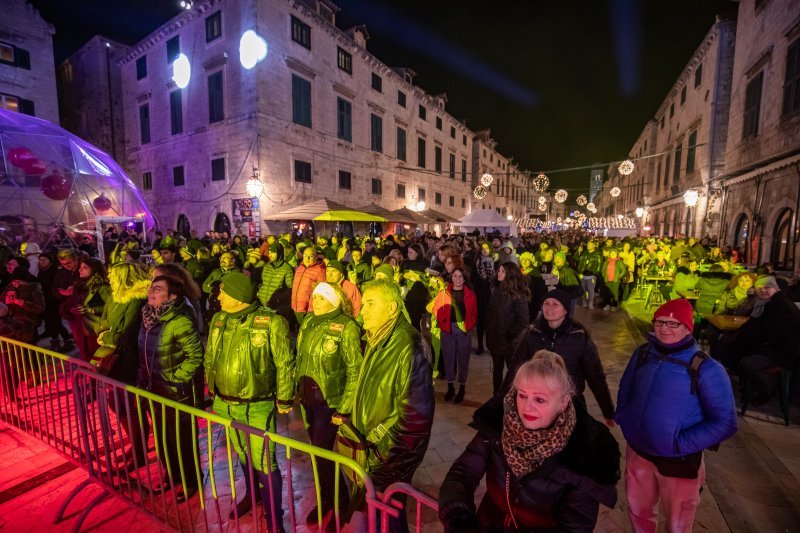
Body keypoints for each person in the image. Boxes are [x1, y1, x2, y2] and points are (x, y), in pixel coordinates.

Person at [439, 351, 620, 531]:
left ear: (563, 403)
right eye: (523, 395)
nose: (527, 407)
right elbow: (463, 473)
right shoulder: (499, 424)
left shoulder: (585, 451)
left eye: (540, 399)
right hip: (490, 522)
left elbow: (575, 525)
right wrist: (458, 518)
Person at [616, 298, 737, 533]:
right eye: (660, 322)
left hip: (678, 462)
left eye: (673, 324)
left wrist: (680, 443)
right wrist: (624, 418)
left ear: (687, 328)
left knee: (678, 522)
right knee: (638, 513)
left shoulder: (706, 368)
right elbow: (626, 387)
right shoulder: (642, 354)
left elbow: (725, 422)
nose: (664, 329)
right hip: (639, 454)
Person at [338, 279, 434, 532]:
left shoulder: (409, 347)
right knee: (385, 518)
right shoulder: (378, 338)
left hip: (385, 462)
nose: (362, 310)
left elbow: (415, 422)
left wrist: (382, 464)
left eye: (371, 303)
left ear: (392, 308)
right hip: (371, 456)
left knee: (386, 518)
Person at [205, 272, 294, 530]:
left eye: (224, 291)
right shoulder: (219, 320)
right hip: (225, 402)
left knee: (265, 461)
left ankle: (274, 516)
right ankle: (252, 496)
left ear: (239, 296)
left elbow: (284, 362)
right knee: (242, 453)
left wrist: (285, 396)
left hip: (257, 405)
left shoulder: (270, 322)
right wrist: (212, 388)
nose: (219, 296)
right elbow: (211, 354)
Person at [490, 288, 617, 428]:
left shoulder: (579, 337)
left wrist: (607, 410)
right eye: (546, 303)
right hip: (539, 403)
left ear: (566, 310)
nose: (549, 308)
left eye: (555, 304)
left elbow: (595, 375)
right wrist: (499, 400)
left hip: (569, 403)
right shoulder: (533, 334)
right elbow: (515, 367)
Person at [295, 282, 361, 530]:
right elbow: (300, 356)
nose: (315, 301)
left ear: (334, 301)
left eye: (321, 298)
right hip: (308, 399)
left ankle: (341, 504)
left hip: (329, 403)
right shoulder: (309, 322)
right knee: (318, 454)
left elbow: (355, 369)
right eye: (314, 297)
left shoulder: (347, 326)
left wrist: (344, 407)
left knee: (325, 455)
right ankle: (326, 498)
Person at [136, 275, 204, 501]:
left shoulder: (180, 320)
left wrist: (175, 379)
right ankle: (172, 475)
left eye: (157, 289)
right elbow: (144, 353)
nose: (151, 292)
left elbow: (195, 356)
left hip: (176, 393)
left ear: (172, 296)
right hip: (152, 389)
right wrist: (142, 378)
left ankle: (191, 480)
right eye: (151, 288)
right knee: (163, 438)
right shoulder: (147, 317)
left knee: (182, 440)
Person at [728, 276, 800, 404]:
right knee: (729, 351)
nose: (763, 290)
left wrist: (751, 339)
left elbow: (775, 333)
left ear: (776, 288)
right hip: (768, 346)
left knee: (745, 362)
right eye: (759, 288)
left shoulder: (782, 306)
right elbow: (753, 324)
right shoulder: (763, 303)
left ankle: (765, 388)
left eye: (767, 287)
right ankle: (746, 386)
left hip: (781, 351)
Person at [431, 268, 477, 403]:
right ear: (452, 278)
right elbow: (436, 309)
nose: (457, 279)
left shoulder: (470, 295)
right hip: (448, 330)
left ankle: (462, 387)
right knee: (449, 359)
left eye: (460, 277)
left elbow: (474, 312)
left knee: (463, 360)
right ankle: (450, 387)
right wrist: (443, 322)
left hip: (463, 330)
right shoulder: (444, 293)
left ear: (464, 279)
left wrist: (469, 325)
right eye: (455, 276)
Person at [485, 262, 530, 394]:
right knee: (497, 372)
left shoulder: (518, 294)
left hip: (510, 343)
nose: (499, 273)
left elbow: (523, 321)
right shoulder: (496, 289)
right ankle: (497, 398)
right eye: (499, 271)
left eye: (503, 271)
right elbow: (491, 313)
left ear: (510, 274)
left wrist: (510, 334)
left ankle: (513, 398)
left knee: (513, 374)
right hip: (496, 339)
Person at [62, 258, 110, 360]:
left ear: (94, 269)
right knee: (86, 355)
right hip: (81, 329)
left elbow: (110, 308)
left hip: (96, 330)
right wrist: (71, 310)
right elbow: (71, 303)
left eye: (85, 267)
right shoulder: (79, 286)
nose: (80, 270)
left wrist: (89, 309)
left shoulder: (103, 288)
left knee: (97, 358)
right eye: (80, 267)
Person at [35, 252, 73, 351]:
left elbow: (55, 285)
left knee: (55, 322)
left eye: (44, 260)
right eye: (40, 260)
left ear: (50, 261)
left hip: (54, 300)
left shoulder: (54, 271)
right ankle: (65, 339)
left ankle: (61, 340)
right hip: (46, 300)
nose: (42, 261)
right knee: (52, 322)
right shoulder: (42, 271)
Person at [292, 246, 326, 325]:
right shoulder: (300, 267)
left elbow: (319, 292)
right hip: (295, 306)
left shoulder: (320, 270)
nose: (307, 258)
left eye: (310, 256)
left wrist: (311, 309)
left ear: (316, 257)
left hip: (307, 309)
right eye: (305, 255)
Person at [473, 242, 496, 354]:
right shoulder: (478, 261)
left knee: (491, 322)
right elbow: (477, 277)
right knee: (481, 321)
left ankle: (490, 345)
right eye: (483, 248)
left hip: (491, 293)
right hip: (481, 293)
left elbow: (494, 277)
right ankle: (480, 345)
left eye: (487, 248)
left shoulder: (493, 261)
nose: (485, 250)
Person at [577, 240, 602, 309]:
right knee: (583, 290)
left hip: (591, 276)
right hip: (583, 275)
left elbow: (599, 265)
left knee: (591, 290)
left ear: (594, 245)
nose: (588, 245)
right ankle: (584, 302)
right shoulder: (584, 253)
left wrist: (595, 274)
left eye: (590, 244)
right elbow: (577, 259)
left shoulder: (597, 254)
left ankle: (590, 303)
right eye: (588, 244)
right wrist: (578, 252)